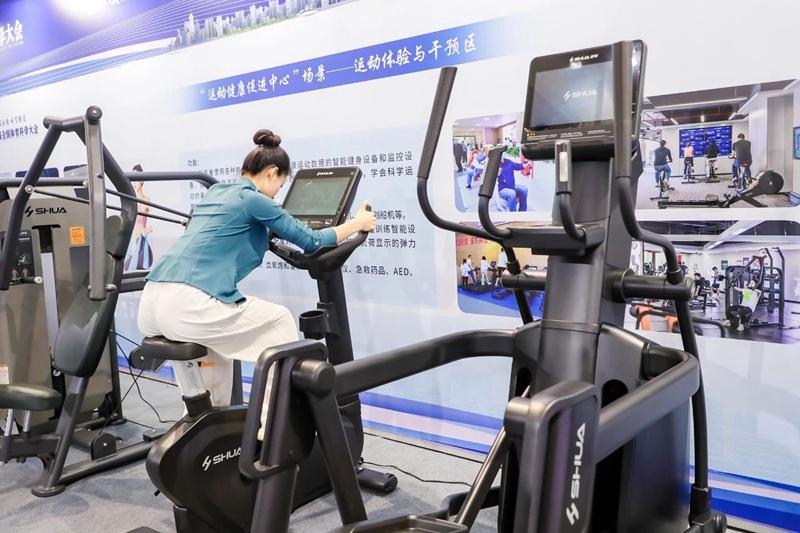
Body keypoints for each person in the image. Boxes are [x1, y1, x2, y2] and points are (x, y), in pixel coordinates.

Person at [137, 129, 377, 414]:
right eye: (280, 186)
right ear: (272, 173)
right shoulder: (255, 200)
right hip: (187, 304)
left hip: (152, 302)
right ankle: (270, 425)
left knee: (218, 352)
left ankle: (207, 425)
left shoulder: (217, 192)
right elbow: (312, 241)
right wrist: (357, 224)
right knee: (280, 321)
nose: (277, 194)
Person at [124, 165, 154, 271]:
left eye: (136, 179)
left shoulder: (146, 201)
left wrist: (145, 231)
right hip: (131, 241)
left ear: (142, 181)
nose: (134, 183)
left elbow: (156, 223)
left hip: (140, 242)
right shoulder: (131, 201)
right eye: (132, 179)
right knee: (127, 267)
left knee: (137, 267)